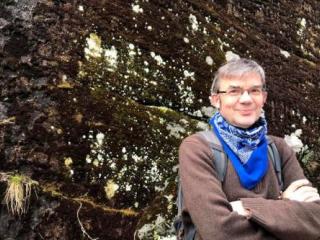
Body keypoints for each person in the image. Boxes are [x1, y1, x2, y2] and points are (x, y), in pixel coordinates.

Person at [178, 58, 320, 240]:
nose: (246, 99)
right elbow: (219, 232)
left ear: (264, 98)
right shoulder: (197, 148)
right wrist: (284, 205)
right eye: (234, 91)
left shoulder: (278, 149)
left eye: (254, 90)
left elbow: (315, 218)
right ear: (216, 100)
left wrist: (245, 207)